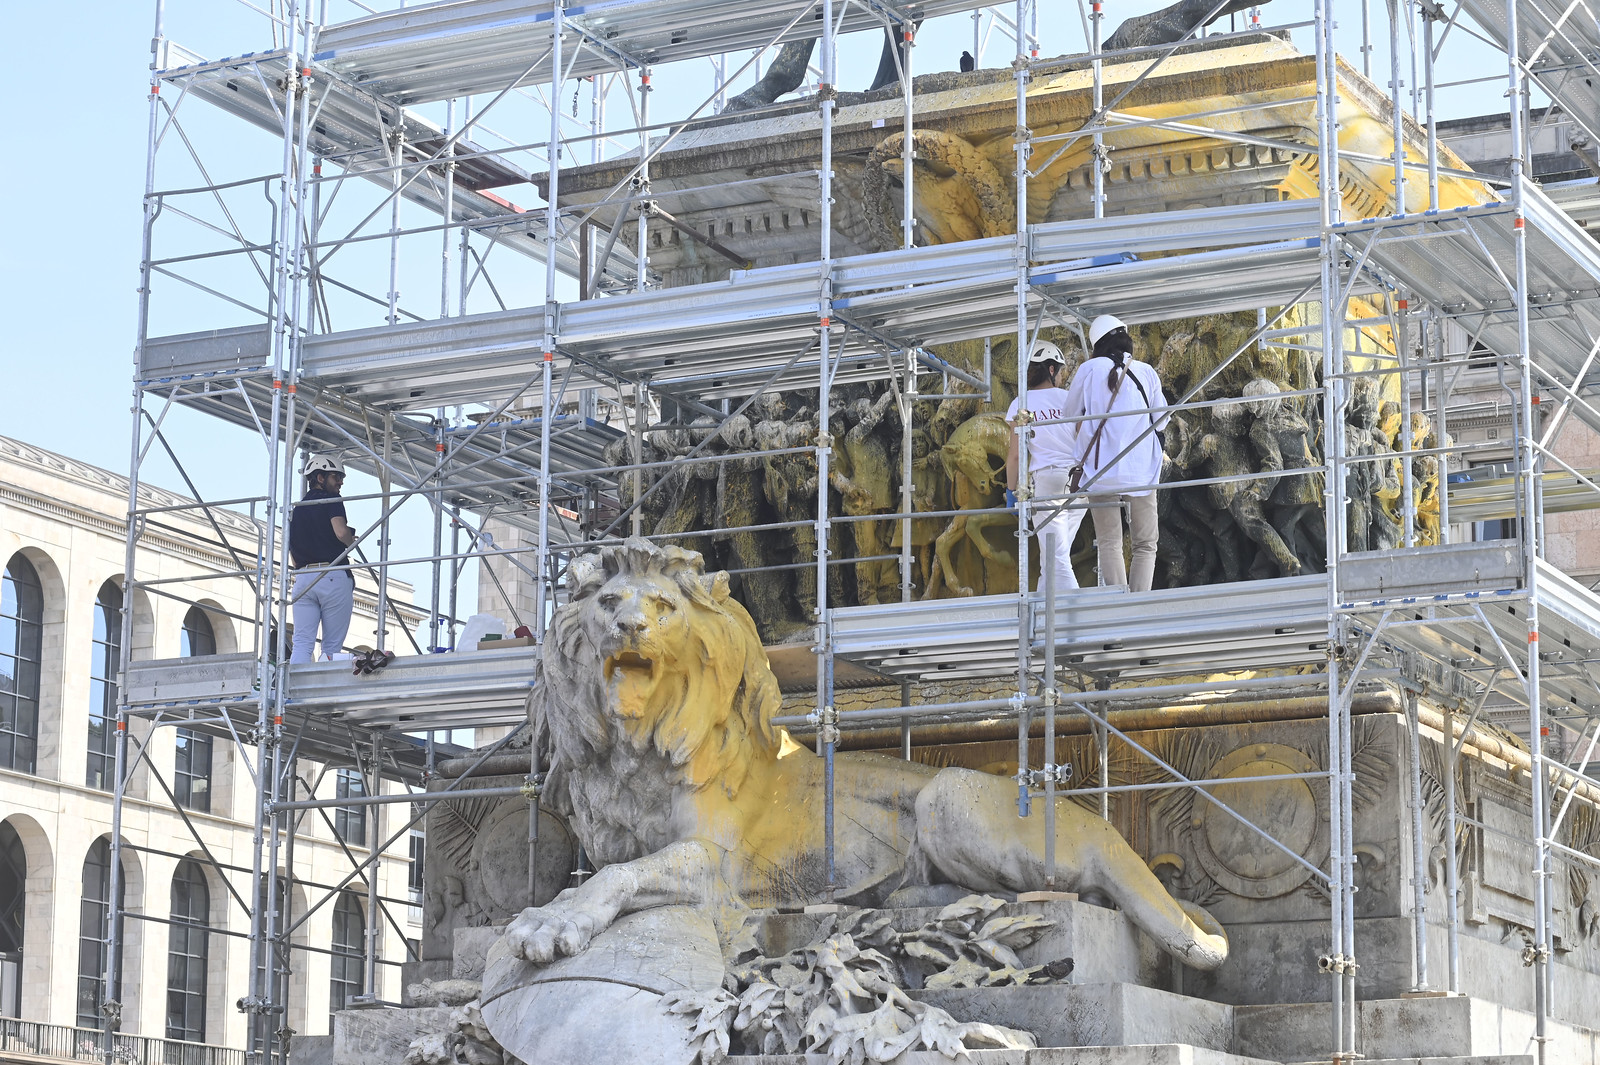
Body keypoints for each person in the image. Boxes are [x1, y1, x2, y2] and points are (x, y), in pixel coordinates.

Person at [1063, 314, 1169, 592]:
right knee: (1145, 543)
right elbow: (1162, 419)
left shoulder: (1088, 369)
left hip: (1100, 470)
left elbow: (1069, 415)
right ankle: (1140, 603)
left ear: (1097, 344)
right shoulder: (1146, 371)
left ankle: (1118, 604)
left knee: (1109, 541)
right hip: (1142, 470)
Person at [1005, 340, 1086, 593]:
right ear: (1051, 369)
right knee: (1052, 559)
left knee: (1056, 560)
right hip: (1080, 484)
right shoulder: (1071, 399)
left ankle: (1074, 616)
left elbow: (1016, 456)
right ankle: (1043, 621)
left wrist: (1010, 491)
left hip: (1048, 482)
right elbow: (1085, 441)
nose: (1062, 376)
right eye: (1060, 371)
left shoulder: (1023, 403)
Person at [289, 455, 357, 663]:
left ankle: (294, 690)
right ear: (320, 477)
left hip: (303, 578)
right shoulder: (332, 500)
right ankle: (322, 693)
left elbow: (292, 550)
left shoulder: (297, 509)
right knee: (331, 646)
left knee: (301, 643)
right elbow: (340, 532)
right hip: (332, 575)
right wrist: (351, 539)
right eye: (336, 476)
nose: (340, 482)